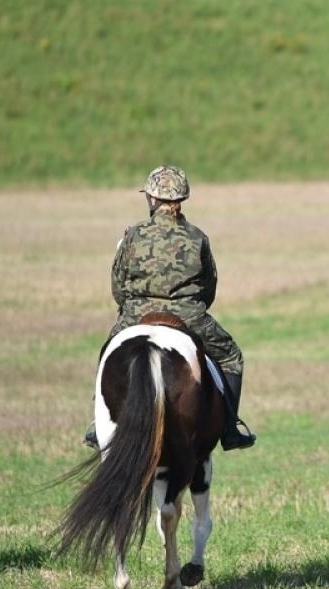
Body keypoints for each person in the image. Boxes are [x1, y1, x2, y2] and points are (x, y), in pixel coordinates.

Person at [84, 166, 254, 452]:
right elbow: (209, 286)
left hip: (136, 312)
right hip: (187, 314)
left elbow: (118, 283)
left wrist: (130, 307)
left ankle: (97, 424)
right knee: (231, 357)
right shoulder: (198, 237)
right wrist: (189, 306)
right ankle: (229, 428)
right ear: (182, 198)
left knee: (107, 355)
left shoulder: (133, 235)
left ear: (151, 198)